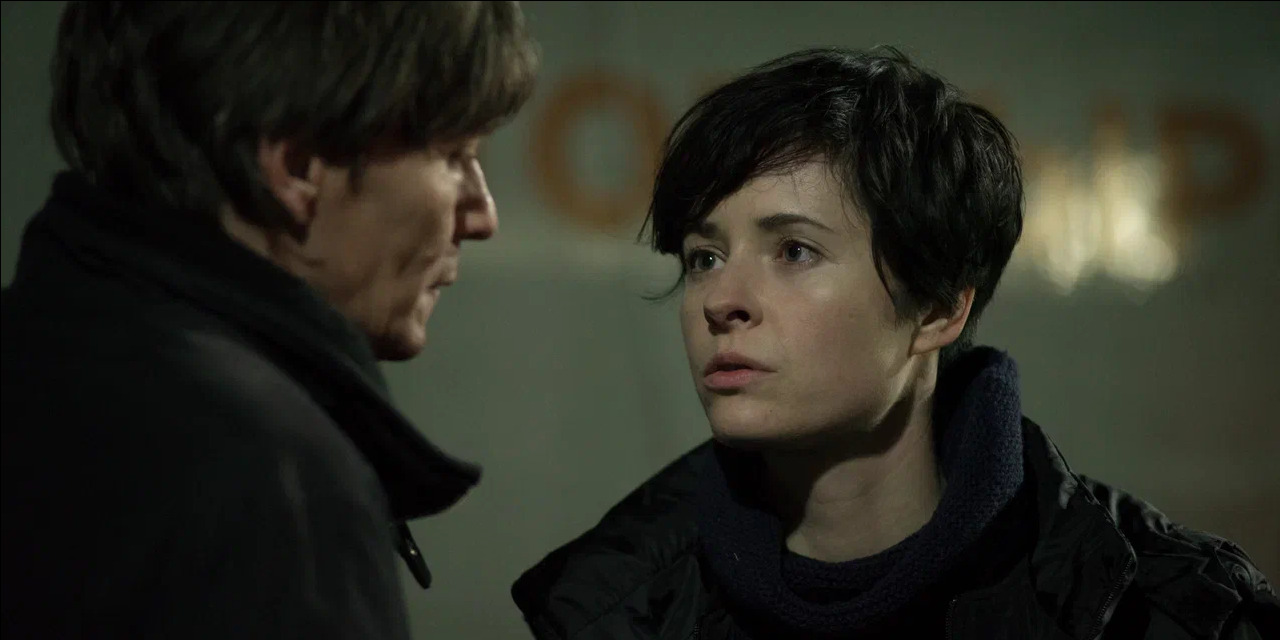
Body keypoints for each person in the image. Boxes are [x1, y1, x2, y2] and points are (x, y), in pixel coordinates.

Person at [510, 47, 1278, 639]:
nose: (720, 300)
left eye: (794, 251)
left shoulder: (1167, 609)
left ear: (938, 308)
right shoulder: (612, 605)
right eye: (705, 257)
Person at [1, 2, 537, 638]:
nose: (482, 216)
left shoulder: (36, 360)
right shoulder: (272, 481)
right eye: (454, 156)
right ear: (299, 166)